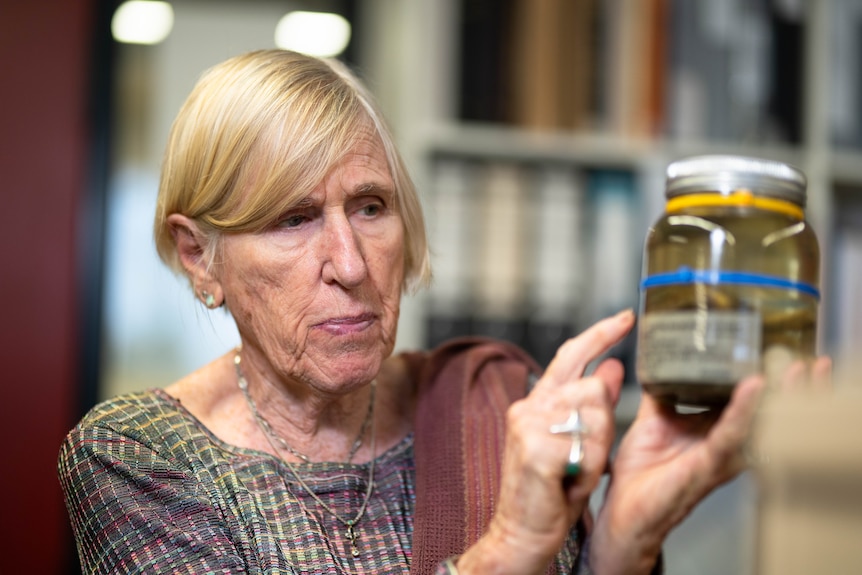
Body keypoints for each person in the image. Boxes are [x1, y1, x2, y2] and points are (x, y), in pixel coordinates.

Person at [58, 49, 831, 575]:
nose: (351, 264)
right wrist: (510, 550)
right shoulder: (135, 458)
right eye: (292, 219)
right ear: (198, 255)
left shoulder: (494, 397)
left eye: (370, 206)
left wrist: (620, 543)